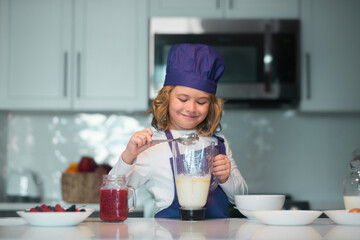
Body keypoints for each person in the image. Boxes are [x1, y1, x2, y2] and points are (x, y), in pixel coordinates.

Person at [110, 43, 247, 218]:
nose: (191, 108)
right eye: (183, 99)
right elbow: (114, 195)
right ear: (166, 98)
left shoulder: (218, 144)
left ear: (211, 105)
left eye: (201, 102)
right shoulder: (153, 147)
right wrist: (128, 156)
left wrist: (226, 178)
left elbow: (242, 197)